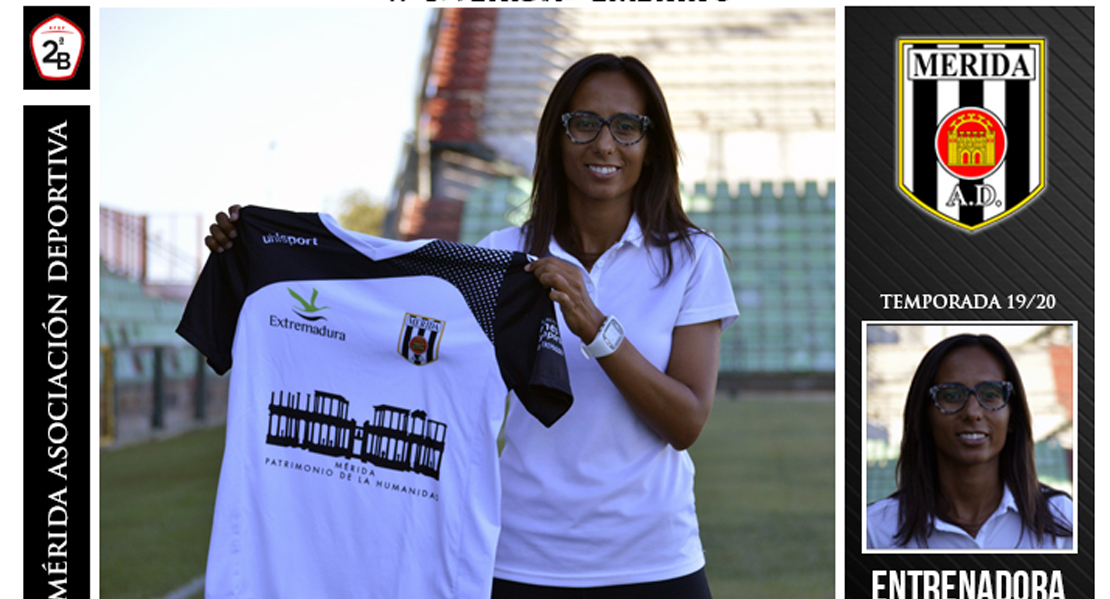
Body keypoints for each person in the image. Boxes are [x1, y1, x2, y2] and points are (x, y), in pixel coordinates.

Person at [206, 53, 738, 597]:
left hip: (656, 562)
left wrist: (596, 328)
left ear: (651, 148)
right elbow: (400, 344)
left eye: (627, 127)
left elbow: (686, 422)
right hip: (520, 560)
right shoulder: (502, 260)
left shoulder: (692, 258)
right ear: (556, 137)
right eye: (585, 124)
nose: (605, 144)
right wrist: (256, 259)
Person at [866, 334, 1073, 549]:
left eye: (991, 394)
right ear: (925, 416)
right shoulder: (875, 530)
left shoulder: (1061, 518)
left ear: (1012, 415)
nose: (973, 413)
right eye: (953, 395)